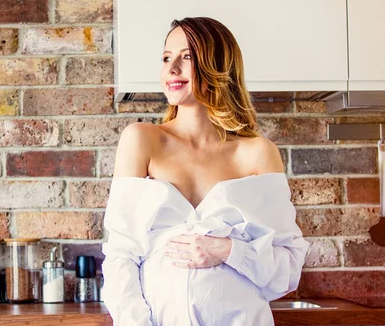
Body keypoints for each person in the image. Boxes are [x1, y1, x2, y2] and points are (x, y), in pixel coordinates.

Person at [102, 17, 309, 326]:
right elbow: (121, 255)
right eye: (166, 58)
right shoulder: (142, 140)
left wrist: (228, 251)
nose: (172, 69)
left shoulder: (256, 153)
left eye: (187, 57)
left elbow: (289, 268)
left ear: (217, 64)